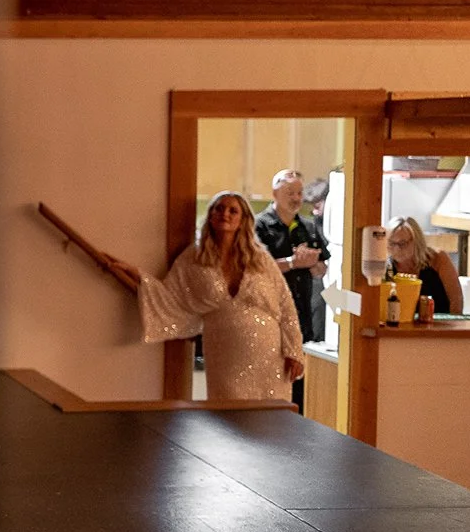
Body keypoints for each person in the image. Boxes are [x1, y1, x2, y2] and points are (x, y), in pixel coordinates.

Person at [113, 191, 304, 402]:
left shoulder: (259, 258)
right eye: (219, 209)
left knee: (270, 420)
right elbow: (169, 295)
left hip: (269, 352)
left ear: (242, 220)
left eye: (233, 211)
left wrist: (294, 351)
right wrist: (138, 276)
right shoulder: (194, 257)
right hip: (223, 349)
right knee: (227, 417)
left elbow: (286, 306)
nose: (226, 214)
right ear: (211, 216)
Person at [254, 169, 329, 408]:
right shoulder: (259, 226)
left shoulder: (307, 226)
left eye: (299, 193)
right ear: (275, 193)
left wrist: (314, 264)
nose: (297, 198)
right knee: (270, 387)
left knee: (298, 390)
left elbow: (322, 269)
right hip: (269, 318)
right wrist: (293, 262)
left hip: (301, 319)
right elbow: (256, 269)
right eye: (290, 193)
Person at [387, 216, 464, 315]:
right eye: (392, 243)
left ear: (416, 241)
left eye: (403, 243)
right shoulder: (385, 268)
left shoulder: (438, 259)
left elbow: (456, 301)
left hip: (441, 325)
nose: (397, 249)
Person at [302, 177, 331, 343]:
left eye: (318, 206)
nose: (314, 212)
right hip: (321, 286)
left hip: (331, 286)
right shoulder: (314, 225)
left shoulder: (337, 224)